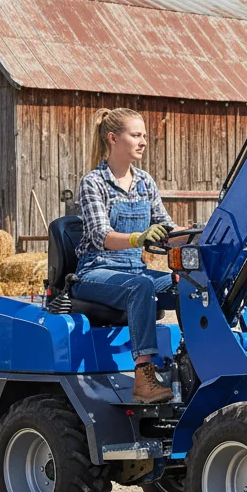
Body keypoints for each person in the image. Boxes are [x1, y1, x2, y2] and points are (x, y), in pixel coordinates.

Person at [73, 108, 176, 403]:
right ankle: (143, 378)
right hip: (95, 271)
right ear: (113, 138)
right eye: (136, 135)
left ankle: (191, 362)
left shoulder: (145, 182)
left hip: (133, 270)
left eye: (144, 135)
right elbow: (100, 237)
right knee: (140, 287)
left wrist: (201, 235)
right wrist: (138, 238)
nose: (143, 141)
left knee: (186, 283)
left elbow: (166, 226)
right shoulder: (93, 183)